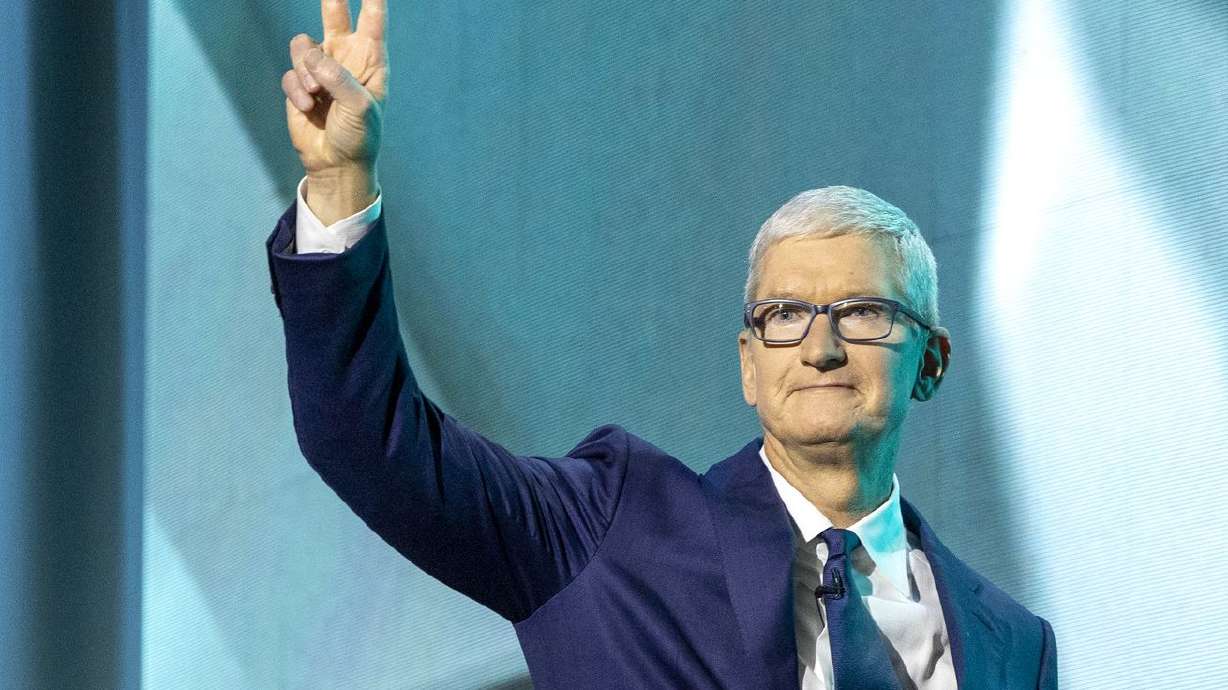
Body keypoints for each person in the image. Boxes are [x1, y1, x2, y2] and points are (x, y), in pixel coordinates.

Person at [268, 1, 1057, 687]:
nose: (820, 347)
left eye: (863, 313)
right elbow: (366, 440)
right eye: (784, 315)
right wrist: (343, 183)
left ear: (932, 362)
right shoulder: (609, 527)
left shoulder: (1012, 645)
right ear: (749, 365)